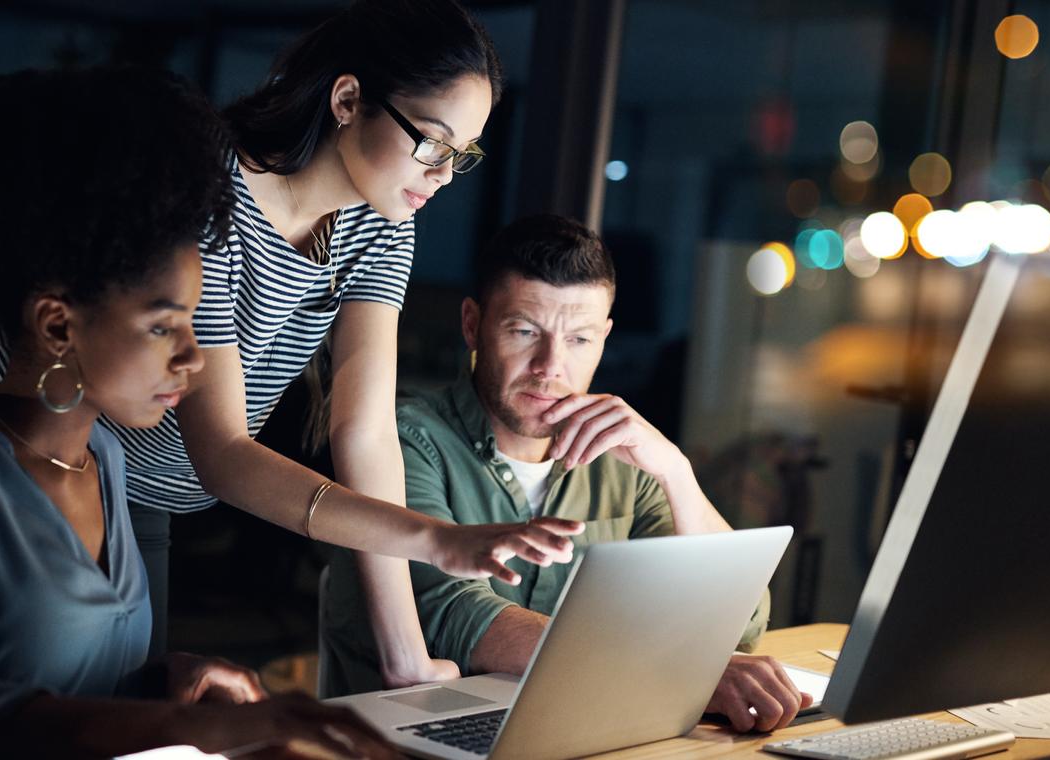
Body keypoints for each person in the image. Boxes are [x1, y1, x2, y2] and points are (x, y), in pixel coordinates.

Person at [0, 0, 582, 687]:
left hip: (142, 486)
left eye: (461, 156)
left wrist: (404, 653)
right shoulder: (207, 192)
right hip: (28, 436)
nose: (442, 174)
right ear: (349, 99)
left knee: (122, 703)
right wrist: (437, 539)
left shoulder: (383, 225)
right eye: (432, 143)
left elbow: (366, 434)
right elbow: (223, 451)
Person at [0, 66, 399, 760]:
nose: (193, 359)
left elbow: (71, 675)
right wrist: (184, 729)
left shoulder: (104, 460)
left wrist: (172, 680)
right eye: (163, 328)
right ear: (57, 327)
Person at [321, 214, 814, 733]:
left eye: (579, 339)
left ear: (604, 338)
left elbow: (743, 620)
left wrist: (675, 470)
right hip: (405, 745)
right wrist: (669, 670)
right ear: (473, 324)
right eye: (524, 331)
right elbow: (450, 613)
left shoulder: (624, 457)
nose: (549, 365)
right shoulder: (404, 441)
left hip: (576, 732)